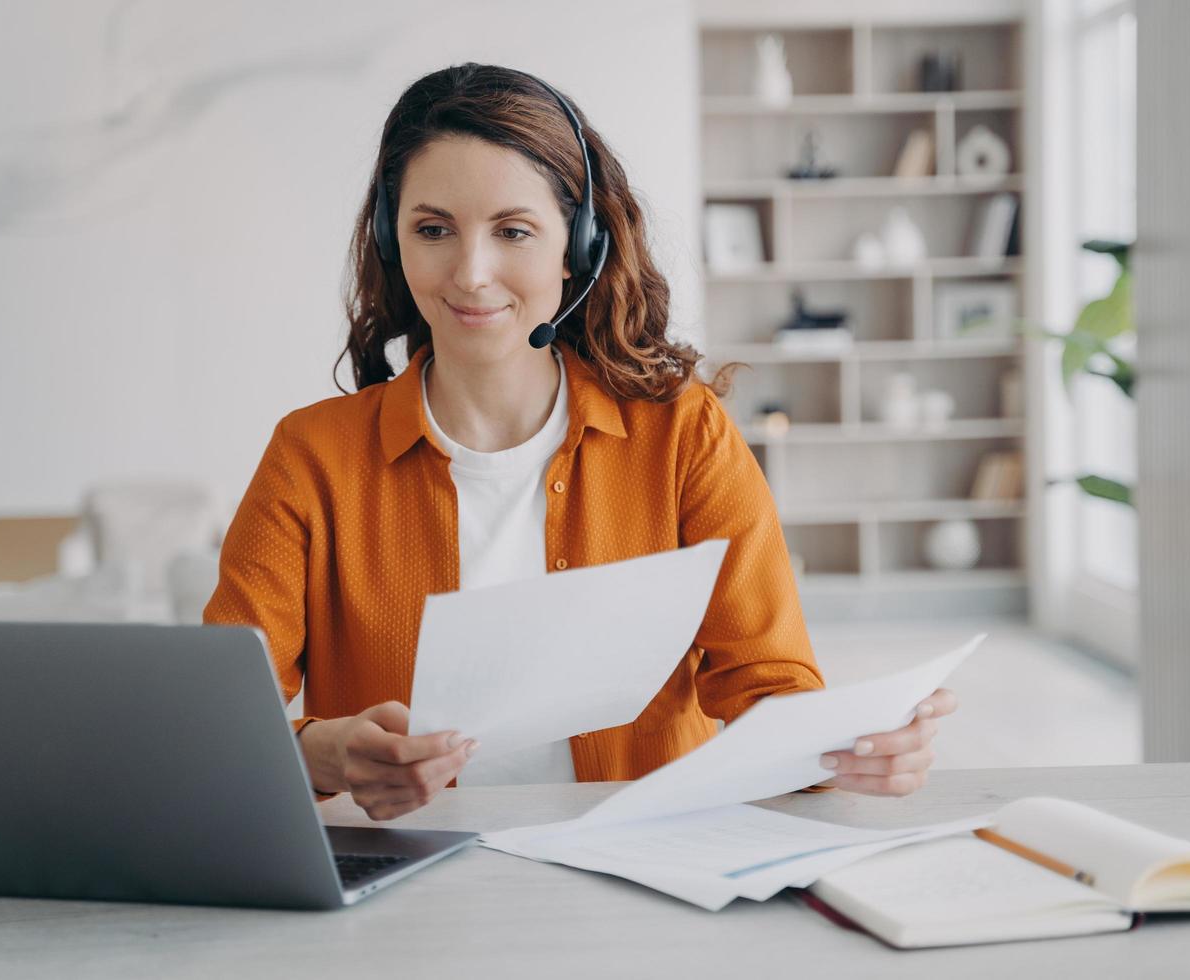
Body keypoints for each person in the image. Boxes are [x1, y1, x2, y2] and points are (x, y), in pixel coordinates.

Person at [203, 64, 956, 821]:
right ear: (392, 242)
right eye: (433, 230)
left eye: (513, 231)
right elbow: (217, 726)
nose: (471, 272)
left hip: (645, 873)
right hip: (410, 886)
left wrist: (849, 749)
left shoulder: (681, 435)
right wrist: (317, 753)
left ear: (579, 247)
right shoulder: (311, 456)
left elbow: (771, 689)